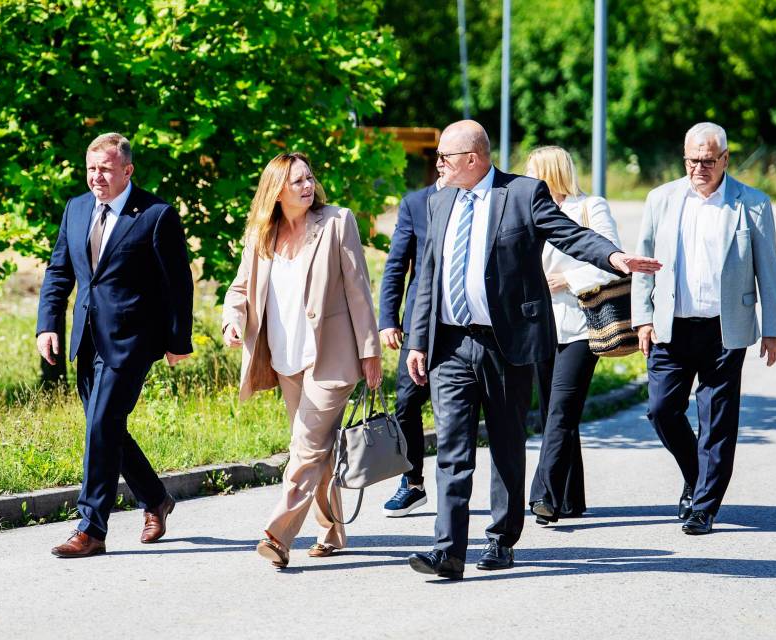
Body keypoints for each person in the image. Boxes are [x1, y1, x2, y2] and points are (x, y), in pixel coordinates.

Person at [404, 120, 661, 580]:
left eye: (444, 156)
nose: (437, 164)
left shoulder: (522, 194)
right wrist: (417, 340)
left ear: (472, 159)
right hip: (451, 344)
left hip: (506, 344)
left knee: (506, 444)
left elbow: (570, 234)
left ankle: (501, 539)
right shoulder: (440, 201)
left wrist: (614, 258)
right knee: (452, 449)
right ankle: (448, 551)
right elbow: (428, 276)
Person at [36, 132, 193, 558]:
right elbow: (58, 272)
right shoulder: (76, 208)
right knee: (104, 427)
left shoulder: (156, 214)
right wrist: (47, 325)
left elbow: (178, 284)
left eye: (105, 169)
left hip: (132, 340)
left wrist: (178, 340)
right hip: (86, 336)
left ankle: (91, 528)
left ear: (127, 170)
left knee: (102, 424)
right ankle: (156, 498)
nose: (96, 177)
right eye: (91, 169)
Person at [221, 152, 382, 568]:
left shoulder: (337, 222)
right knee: (318, 451)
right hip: (286, 360)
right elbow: (239, 288)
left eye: (310, 178)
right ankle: (331, 532)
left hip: (332, 357)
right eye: (298, 181)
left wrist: (370, 352)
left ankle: (278, 534)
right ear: (277, 191)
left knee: (305, 446)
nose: (308, 186)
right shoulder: (261, 235)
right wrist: (232, 322)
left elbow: (359, 290)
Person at [632, 122, 776, 535]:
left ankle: (703, 507)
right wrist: (642, 318)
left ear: (725, 159)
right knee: (661, 410)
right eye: (692, 161)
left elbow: (767, 270)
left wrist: (773, 328)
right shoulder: (661, 199)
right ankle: (697, 474)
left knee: (717, 420)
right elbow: (643, 263)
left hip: (725, 329)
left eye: (708, 161)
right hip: (670, 326)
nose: (699, 168)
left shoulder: (752, 203)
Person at [524, 146, 624, 525]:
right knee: (553, 411)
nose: (526, 178)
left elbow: (611, 261)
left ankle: (544, 495)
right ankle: (570, 498)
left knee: (561, 410)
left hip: (582, 325)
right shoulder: (530, 210)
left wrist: (567, 279)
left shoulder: (590, 207)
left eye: (532, 171)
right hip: (540, 326)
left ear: (549, 173)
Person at [378, 177, 443, 517]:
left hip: (471, 325)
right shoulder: (416, 203)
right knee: (406, 403)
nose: (441, 163)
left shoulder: (484, 199)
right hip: (419, 324)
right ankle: (413, 483)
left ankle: (457, 489)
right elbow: (396, 265)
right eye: (439, 156)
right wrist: (388, 319)